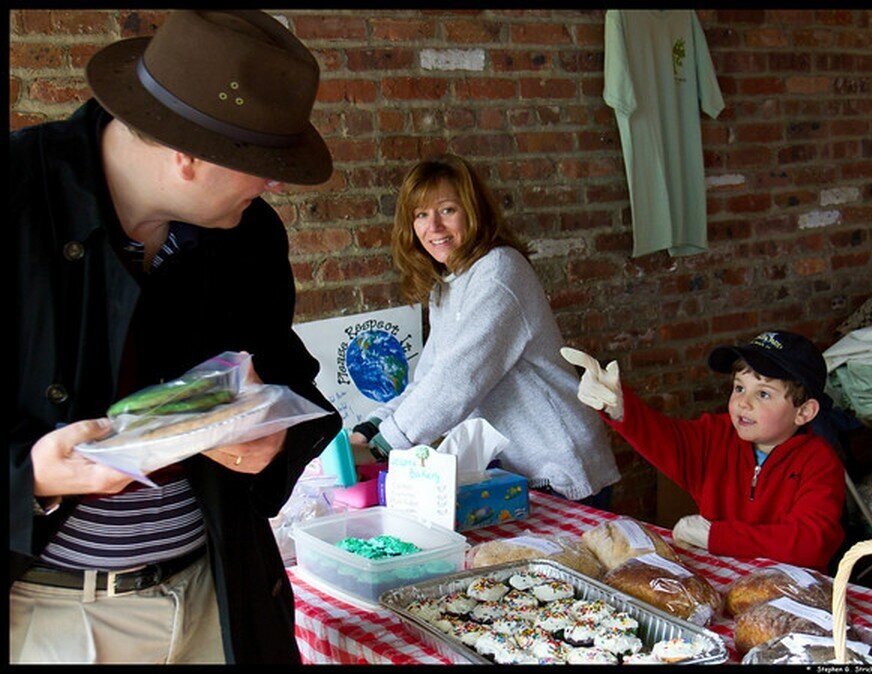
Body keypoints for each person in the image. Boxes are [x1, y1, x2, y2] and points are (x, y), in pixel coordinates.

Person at [10, 10, 342, 664]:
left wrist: (269, 432)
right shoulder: (18, 198)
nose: (276, 184)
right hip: (51, 619)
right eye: (265, 163)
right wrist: (31, 478)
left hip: (216, 602)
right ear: (190, 151)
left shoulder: (249, 238)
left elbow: (287, 379)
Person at [350, 154, 620, 508]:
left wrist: (384, 445)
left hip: (559, 465)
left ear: (473, 211)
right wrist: (370, 428)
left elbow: (460, 378)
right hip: (513, 470)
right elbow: (429, 379)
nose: (433, 226)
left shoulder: (499, 271)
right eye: (421, 215)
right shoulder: (447, 286)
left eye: (447, 210)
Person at [562, 330, 846, 571]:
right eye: (738, 388)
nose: (742, 403)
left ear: (804, 412)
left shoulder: (819, 462)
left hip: (789, 593)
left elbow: (812, 543)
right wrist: (619, 407)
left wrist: (718, 537)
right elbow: (666, 440)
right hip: (718, 578)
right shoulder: (717, 435)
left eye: (763, 393)